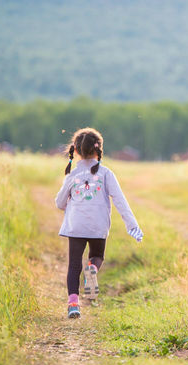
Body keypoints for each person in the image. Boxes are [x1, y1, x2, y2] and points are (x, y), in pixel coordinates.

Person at [55, 127, 143, 319]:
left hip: (76, 226)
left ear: (75, 151)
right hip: (98, 226)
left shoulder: (72, 176)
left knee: (73, 266)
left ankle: (73, 305)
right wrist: (132, 226)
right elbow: (120, 201)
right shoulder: (106, 174)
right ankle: (92, 270)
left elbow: (59, 203)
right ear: (99, 149)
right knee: (96, 256)